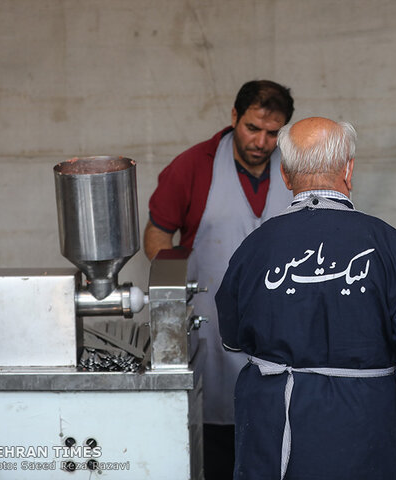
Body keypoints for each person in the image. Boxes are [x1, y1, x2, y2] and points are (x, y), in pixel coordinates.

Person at [215, 117, 396, 479]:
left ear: (286, 177)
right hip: (360, 421)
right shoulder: (388, 244)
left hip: (272, 420)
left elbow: (231, 336)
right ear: (348, 170)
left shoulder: (256, 246)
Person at [144, 80, 295, 479]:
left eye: (272, 132)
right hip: (209, 327)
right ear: (233, 117)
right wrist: (173, 286)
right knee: (214, 438)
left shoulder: (296, 169)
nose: (261, 142)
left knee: (278, 431)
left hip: (283, 331)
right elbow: (158, 233)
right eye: (252, 128)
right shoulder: (193, 165)